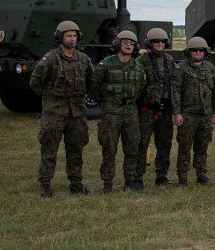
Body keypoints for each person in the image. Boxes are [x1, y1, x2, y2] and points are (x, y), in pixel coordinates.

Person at [30, 20, 94, 197]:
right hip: (54, 112)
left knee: (76, 149)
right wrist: (50, 99)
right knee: (49, 149)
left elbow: (91, 82)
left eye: (74, 35)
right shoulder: (49, 59)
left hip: (77, 112)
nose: (72, 39)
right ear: (60, 37)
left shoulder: (83, 59)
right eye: (68, 36)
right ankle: (45, 184)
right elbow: (35, 82)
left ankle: (76, 183)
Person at [89, 30, 146, 194]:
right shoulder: (106, 64)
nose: (128, 46)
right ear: (117, 44)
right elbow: (94, 87)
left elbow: (140, 87)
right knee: (109, 148)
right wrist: (106, 103)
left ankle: (130, 180)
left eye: (132, 43)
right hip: (111, 112)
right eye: (125, 42)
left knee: (132, 148)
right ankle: (107, 184)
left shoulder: (137, 66)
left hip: (130, 112)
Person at [171, 36, 215, 186]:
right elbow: (175, 91)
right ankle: (183, 178)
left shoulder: (210, 68)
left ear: (206, 52)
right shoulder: (181, 69)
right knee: (184, 147)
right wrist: (177, 112)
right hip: (187, 115)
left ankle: (201, 175)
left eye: (201, 50)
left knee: (202, 146)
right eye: (195, 50)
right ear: (189, 52)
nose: (198, 52)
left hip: (205, 115)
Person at [135, 27, 178, 187]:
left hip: (164, 110)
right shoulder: (140, 61)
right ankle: (137, 177)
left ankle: (161, 176)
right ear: (149, 43)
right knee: (142, 143)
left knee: (165, 143)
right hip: (147, 110)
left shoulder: (169, 61)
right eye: (156, 41)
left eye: (162, 41)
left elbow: (174, 84)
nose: (160, 44)